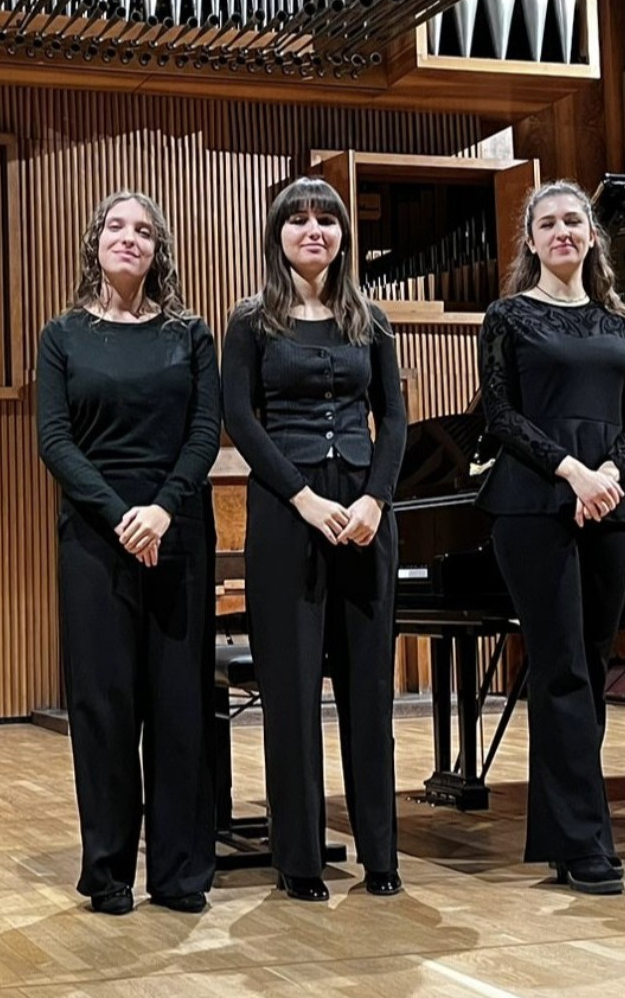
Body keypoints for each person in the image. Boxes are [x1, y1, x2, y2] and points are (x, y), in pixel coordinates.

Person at [37, 191, 222, 915]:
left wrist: (162, 508)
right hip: (96, 537)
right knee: (104, 706)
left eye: (144, 231)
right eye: (116, 226)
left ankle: (179, 873)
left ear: (158, 251)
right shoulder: (63, 336)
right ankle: (108, 870)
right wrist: (122, 517)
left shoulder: (190, 334)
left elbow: (205, 431)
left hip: (178, 530)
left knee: (179, 705)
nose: (129, 238)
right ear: (95, 241)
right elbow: (55, 440)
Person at [222, 176, 405, 902]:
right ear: (278, 235)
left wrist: (375, 500)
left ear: (342, 235)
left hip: (363, 514)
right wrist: (301, 497)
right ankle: (298, 860)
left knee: (369, 690)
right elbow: (241, 418)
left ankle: (381, 855)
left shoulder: (370, 318)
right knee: (292, 691)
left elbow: (393, 419)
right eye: (298, 220)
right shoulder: (250, 321)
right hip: (285, 511)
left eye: (326, 219)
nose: (313, 230)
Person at [475, 180, 625, 894]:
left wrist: (608, 472)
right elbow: (499, 415)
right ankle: (587, 843)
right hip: (534, 502)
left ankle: (563, 832)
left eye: (573, 221)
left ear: (591, 235)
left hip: (613, 500)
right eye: (547, 223)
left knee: (594, 665)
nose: (562, 232)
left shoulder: (622, 324)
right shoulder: (508, 316)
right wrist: (572, 471)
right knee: (561, 670)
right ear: (531, 240)